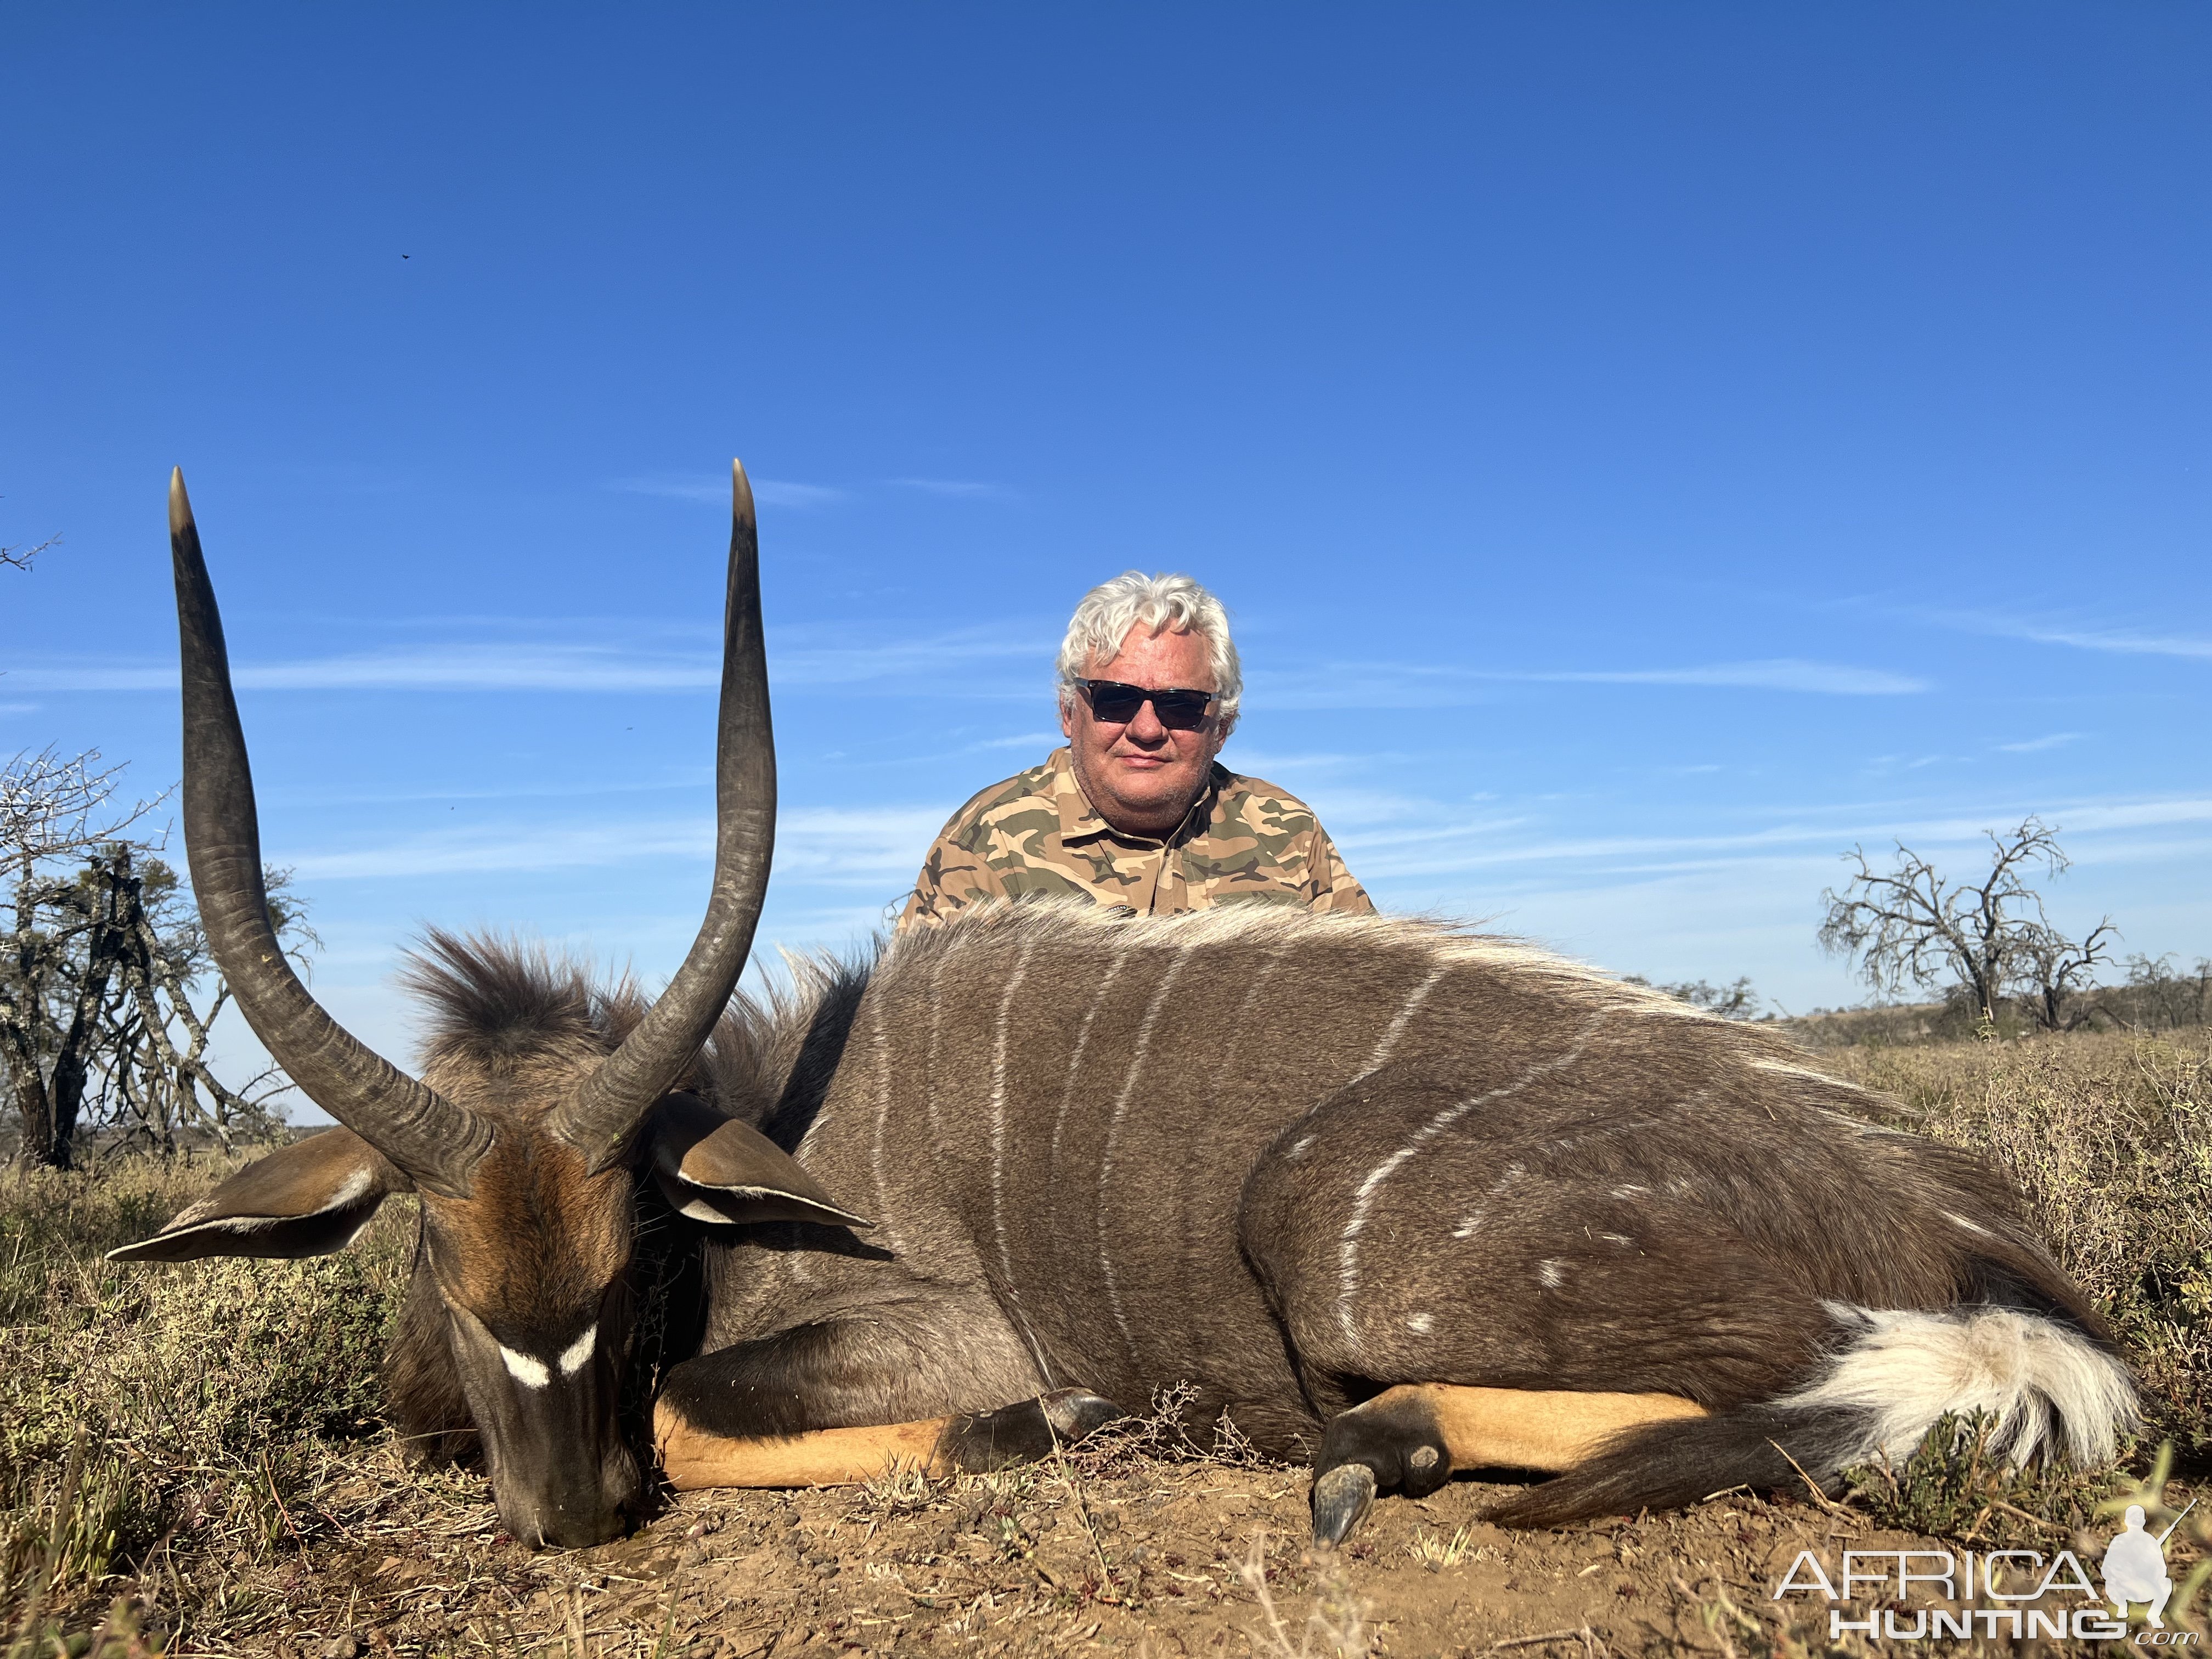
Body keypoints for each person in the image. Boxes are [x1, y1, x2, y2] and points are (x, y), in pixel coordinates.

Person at [899, 571, 1371, 928]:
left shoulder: (1289, 831)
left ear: (1223, 726)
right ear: (1068, 713)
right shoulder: (987, 842)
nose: (1146, 729)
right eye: (1116, 699)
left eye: (1181, 705)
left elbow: (1371, 998)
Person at [2102, 1505, 2174, 1628]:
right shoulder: (2120, 1540)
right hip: (2121, 1588)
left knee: (2167, 1584)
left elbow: (2162, 1569)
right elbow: (2107, 1568)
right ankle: (2122, 1608)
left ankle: (2154, 1615)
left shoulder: (2151, 1542)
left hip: (2143, 1587)